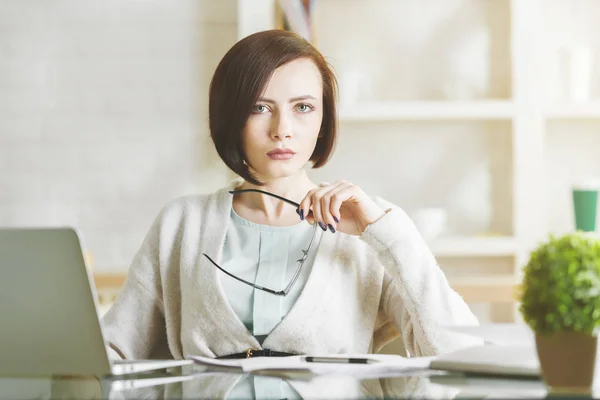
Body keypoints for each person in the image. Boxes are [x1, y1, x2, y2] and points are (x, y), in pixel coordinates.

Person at [101, 29, 480, 362]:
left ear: (322, 121)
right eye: (260, 108)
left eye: (303, 107)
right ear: (231, 118)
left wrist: (383, 232)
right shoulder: (182, 224)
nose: (282, 129)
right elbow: (114, 350)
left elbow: (459, 352)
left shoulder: (370, 229)